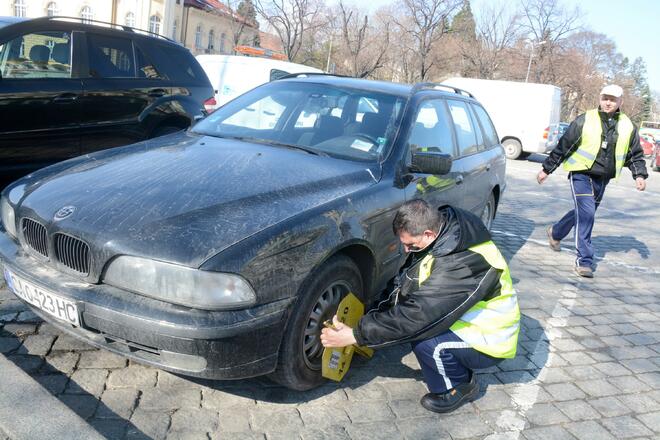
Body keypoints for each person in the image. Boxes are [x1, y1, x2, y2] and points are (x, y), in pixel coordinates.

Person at [320, 199, 520, 413]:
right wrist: (366, 321)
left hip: (491, 339)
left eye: (411, 245)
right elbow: (401, 287)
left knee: (426, 341)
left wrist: (357, 335)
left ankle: (459, 385)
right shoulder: (442, 236)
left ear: (428, 234)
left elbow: (418, 315)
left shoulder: (461, 264)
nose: (406, 250)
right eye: (403, 244)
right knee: (416, 329)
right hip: (465, 320)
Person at [536, 84, 648, 278]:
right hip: (581, 173)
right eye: (605, 98)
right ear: (600, 98)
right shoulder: (585, 119)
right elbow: (565, 145)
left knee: (583, 211)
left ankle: (555, 232)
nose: (608, 102)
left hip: (603, 178)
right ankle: (584, 260)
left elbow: (634, 153)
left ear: (620, 102)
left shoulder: (627, 125)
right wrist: (547, 169)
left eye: (613, 99)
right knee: (587, 214)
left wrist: (639, 175)